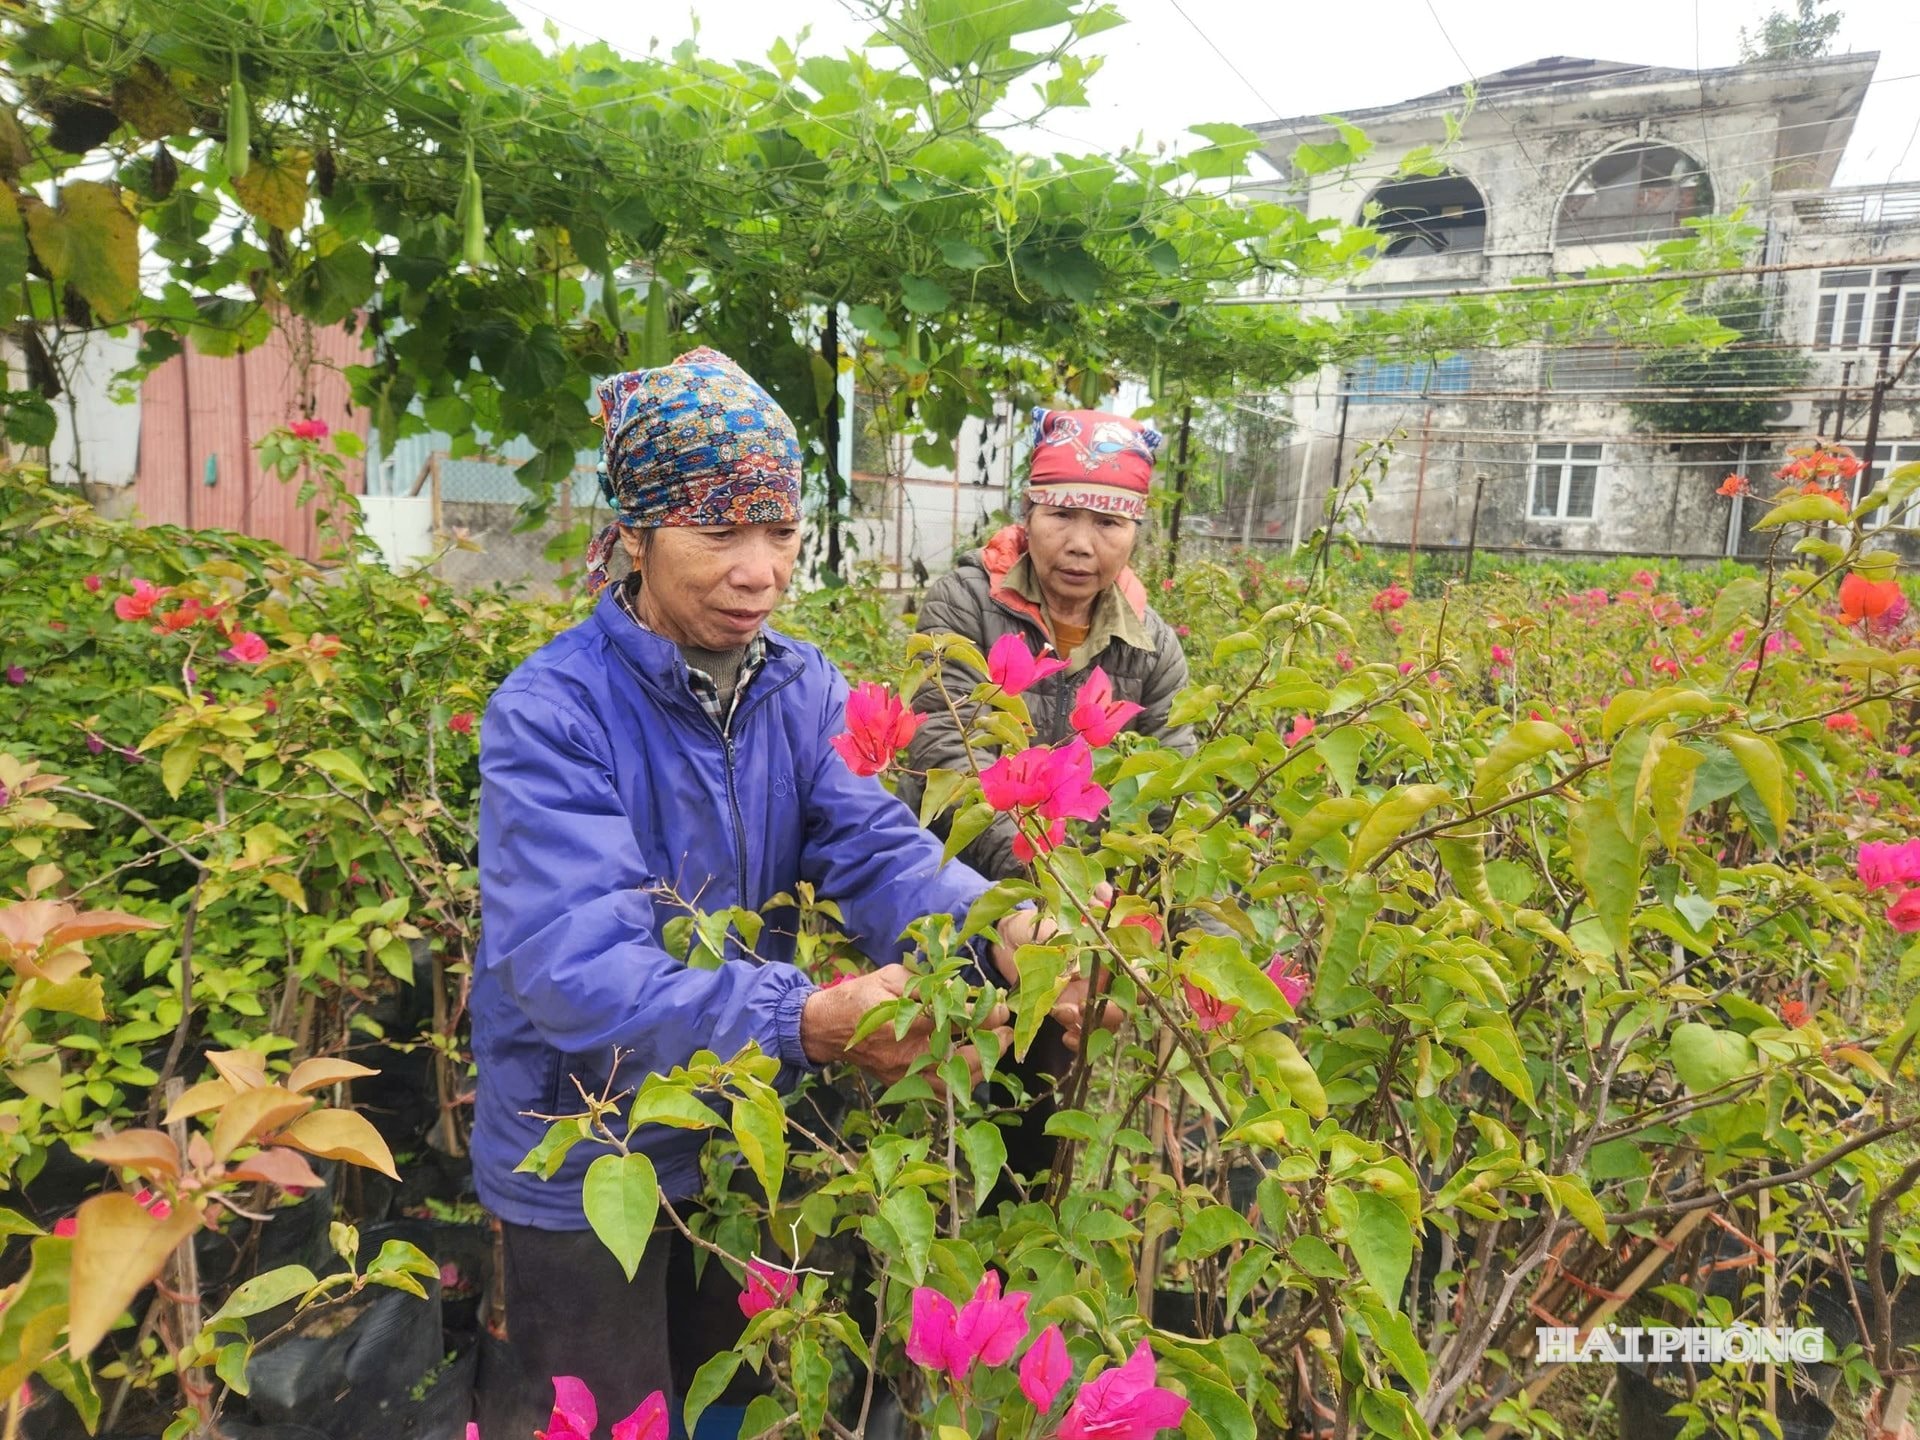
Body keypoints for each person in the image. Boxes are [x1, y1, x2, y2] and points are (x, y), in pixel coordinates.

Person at [470, 348, 1051, 1436]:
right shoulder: (552, 712)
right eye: (719, 533)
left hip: (745, 1129)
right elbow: (572, 966)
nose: (759, 571)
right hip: (590, 1151)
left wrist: (1000, 924)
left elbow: (874, 842)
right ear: (636, 534)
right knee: (609, 1413)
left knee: (737, 1398)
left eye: (779, 532)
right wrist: (804, 1021)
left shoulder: (800, 683)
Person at [900, 405, 1197, 1194]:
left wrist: (1169, 935)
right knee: (938, 1106)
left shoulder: (1150, 644)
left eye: (1108, 520)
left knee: (1039, 1121)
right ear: (1028, 511)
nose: (1080, 542)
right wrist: (1035, 893)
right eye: (1062, 512)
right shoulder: (965, 604)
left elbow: (1173, 787)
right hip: (965, 888)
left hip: (1078, 914)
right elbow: (946, 747)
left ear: (1137, 531)